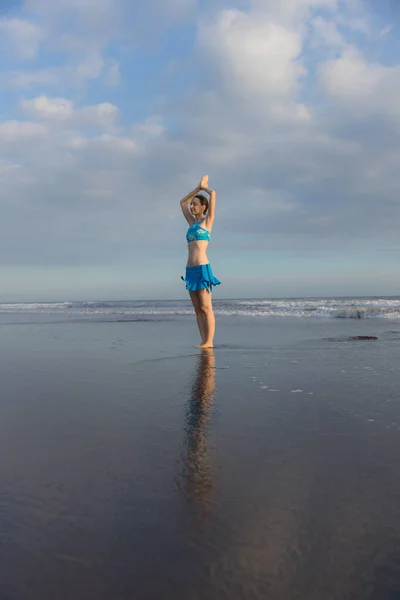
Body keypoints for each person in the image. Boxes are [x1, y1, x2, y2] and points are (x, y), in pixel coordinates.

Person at [180, 175, 221, 348]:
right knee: (197, 309)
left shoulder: (207, 222)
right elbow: (182, 203)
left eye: (195, 204)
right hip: (190, 271)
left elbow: (214, 195)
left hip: (203, 268)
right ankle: (203, 340)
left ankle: (209, 341)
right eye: (193, 204)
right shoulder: (191, 223)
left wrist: (205, 188)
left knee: (206, 307)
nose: (191, 206)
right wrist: (197, 188)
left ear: (203, 207)